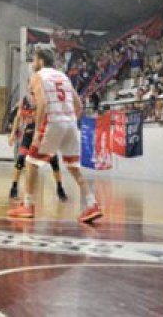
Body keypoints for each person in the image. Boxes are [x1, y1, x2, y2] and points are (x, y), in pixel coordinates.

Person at [7, 48, 102, 223]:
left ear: (41, 61)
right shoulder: (63, 76)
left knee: (31, 162)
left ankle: (27, 204)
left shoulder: (38, 76)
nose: (32, 63)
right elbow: (79, 105)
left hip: (52, 123)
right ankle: (91, 204)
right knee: (74, 167)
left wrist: (37, 131)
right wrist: (70, 120)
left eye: (34, 60)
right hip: (71, 125)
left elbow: (42, 102)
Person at [6, 95, 67, 202]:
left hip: (43, 135)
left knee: (54, 161)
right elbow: (17, 118)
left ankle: (59, 188)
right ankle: (14, 188)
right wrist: (12, 133)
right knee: (20, 158)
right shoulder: (23, 101)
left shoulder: (43, 102)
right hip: (29, 135)